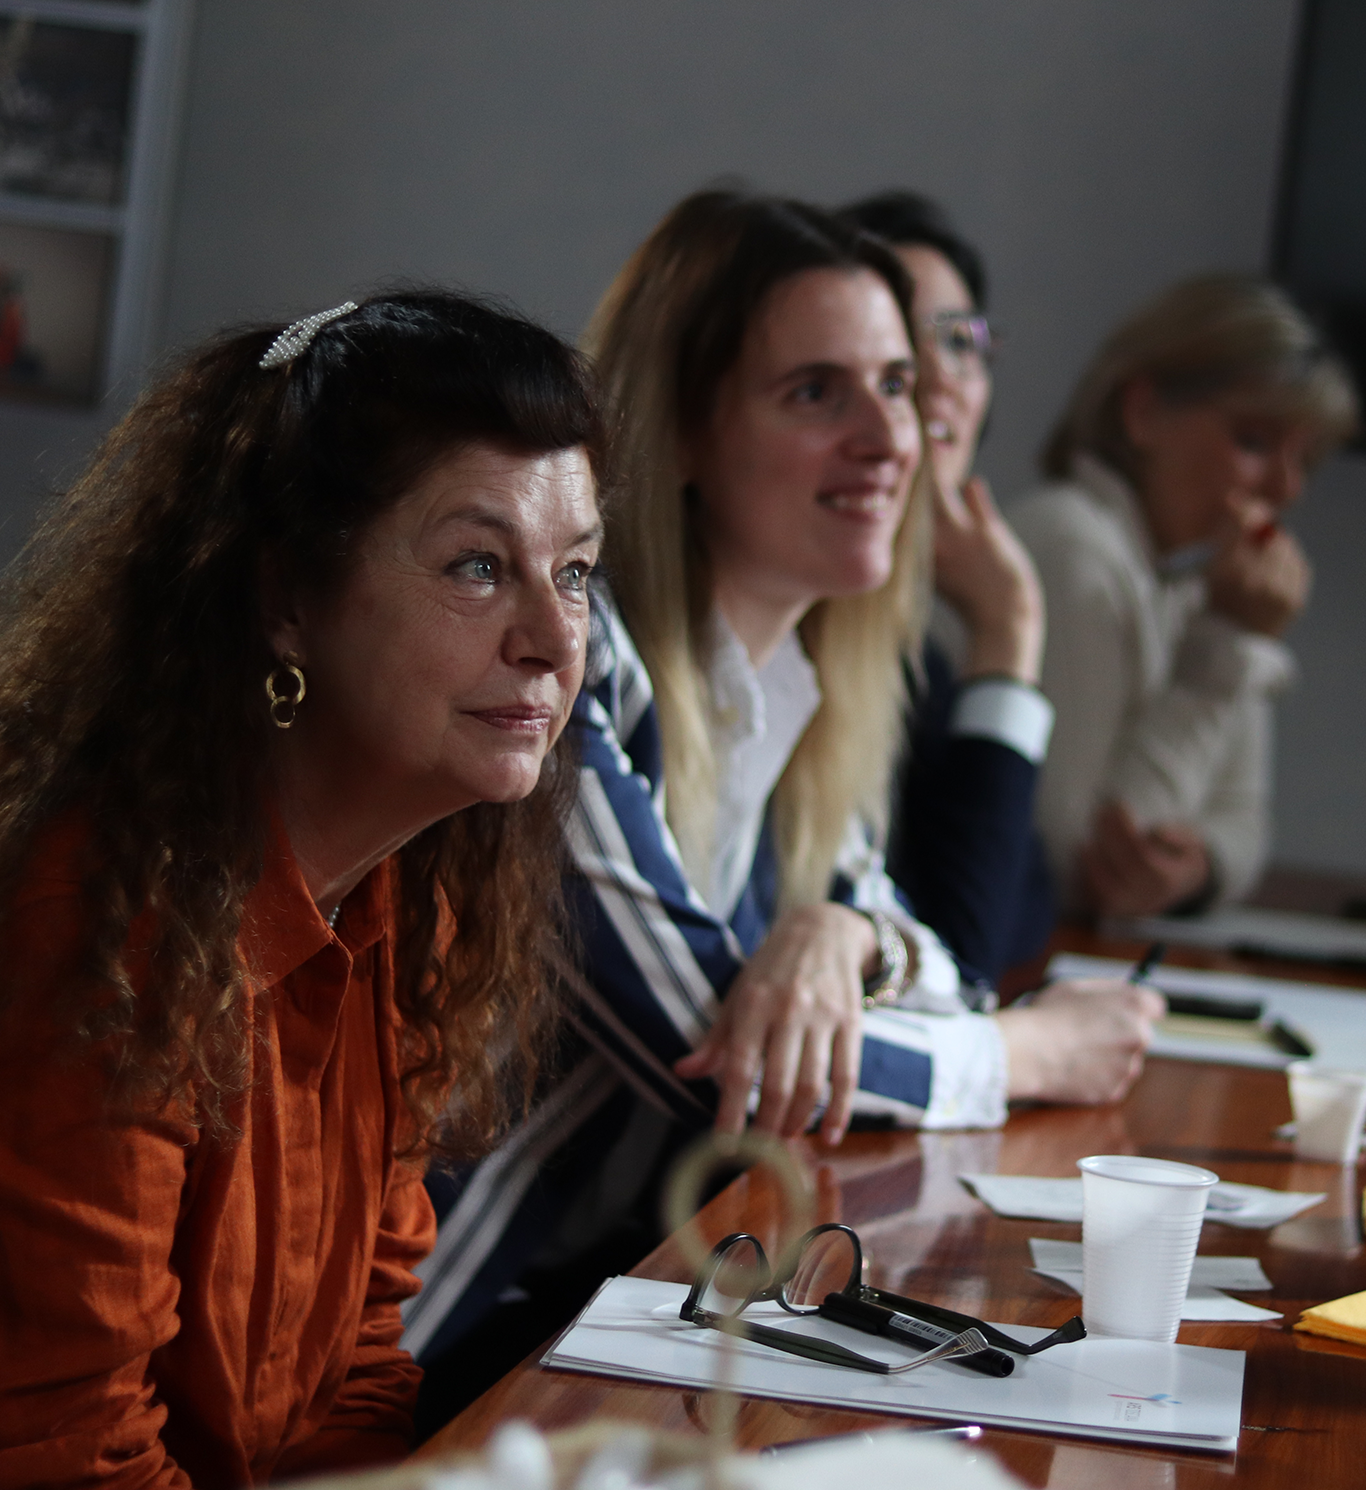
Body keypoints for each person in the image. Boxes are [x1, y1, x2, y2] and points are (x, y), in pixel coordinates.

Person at [406, 192, 1162, 1427]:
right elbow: (722, 1066)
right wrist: (1029, 1053)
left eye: (897, 385)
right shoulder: (569, 672)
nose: (889, 437)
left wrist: (841, 934)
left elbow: (944, 981)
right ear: (681, 433)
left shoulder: (797, 701)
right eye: (817, 392)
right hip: (434, 1356)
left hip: (619, 1322)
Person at [0, 291, 605, 1487]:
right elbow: (61, 1468)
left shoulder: (407, 897)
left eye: (574, 573)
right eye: (479, 566)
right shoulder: (72, 923)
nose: (555, 640)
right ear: (285, 599)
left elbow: (353, 1368)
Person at [1011, 275, 1358, 917]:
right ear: (1142, 411)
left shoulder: (1194, 582)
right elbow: (1078, 862)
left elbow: (1245, 821)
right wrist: (1228, 643)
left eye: (1304, 461)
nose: (1286, 489)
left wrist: (1199, 868)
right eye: (1254, 441)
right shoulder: (1072, 544)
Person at [840, 190, 1056, 977]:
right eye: (901, 339)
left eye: (962, 341)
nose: (940, 377)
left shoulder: (916, 659)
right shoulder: (793, 624)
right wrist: (1006, 632)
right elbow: (965, 949)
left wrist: (1009, 634)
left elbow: (1019, 908)